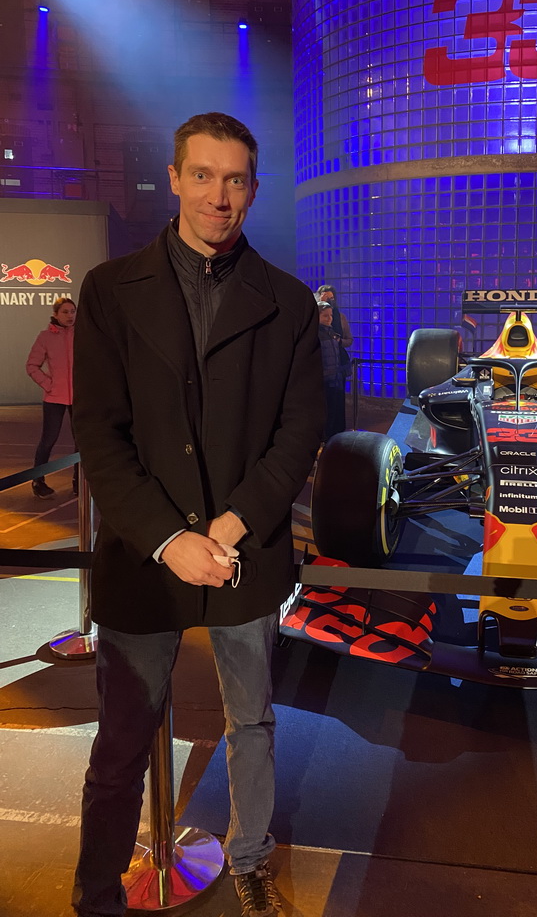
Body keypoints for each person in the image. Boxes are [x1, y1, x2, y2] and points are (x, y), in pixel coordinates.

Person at [71, 112, 324, 917]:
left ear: (254, 189)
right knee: (120, 742)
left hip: (244, 551)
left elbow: (299, 432)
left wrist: (236, 520)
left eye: (237, 179)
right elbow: (99, 436)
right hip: (146, 556)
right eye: (204, 176)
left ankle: (249, 859)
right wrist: (169, 538)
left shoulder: (286, 303)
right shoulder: (111, 291)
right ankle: (97, 888)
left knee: (252, 721)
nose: (220, 195)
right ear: (176, 178)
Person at [26, 296, 77, 498]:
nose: (70, 316)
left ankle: (78, 482)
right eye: (65, 312)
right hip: (54, 398)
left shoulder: (82, 335)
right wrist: (50, 385)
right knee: (48, 440)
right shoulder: (45, 337)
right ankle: (38, 482)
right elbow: (31, 366)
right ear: (55, 314)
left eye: (73, 311)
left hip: (79, 398)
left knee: (81, 442)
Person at [317, 300, 346, 441]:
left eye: (330, 315)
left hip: (335, 379)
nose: (330, 319)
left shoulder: (331, 333)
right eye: (325, 316)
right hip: (324, 382)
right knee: (325, 415)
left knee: (334, 413)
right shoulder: (316, 335)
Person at [315, 284, 353, 377]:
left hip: (338, 363)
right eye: (326, 298)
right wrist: (320, 305)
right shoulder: (314, 316)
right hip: (320, 365)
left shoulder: (340, 317)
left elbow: (349, 340)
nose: (329, 301)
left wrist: (339, 341)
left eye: (331, 298)